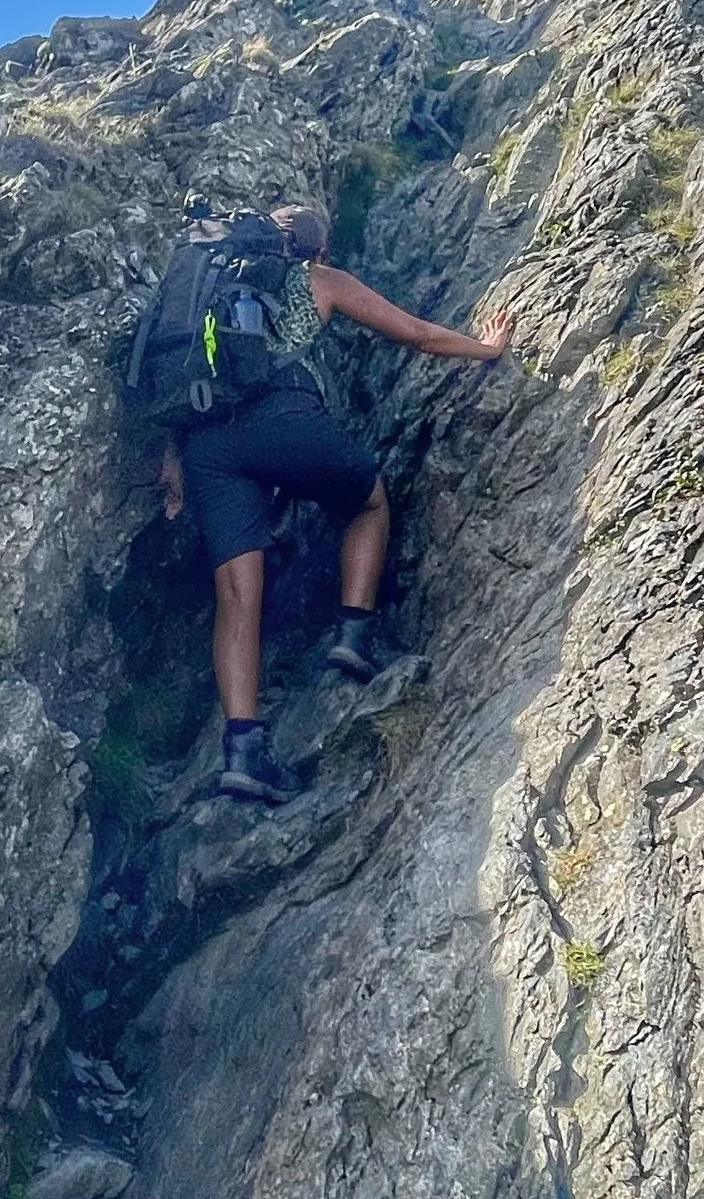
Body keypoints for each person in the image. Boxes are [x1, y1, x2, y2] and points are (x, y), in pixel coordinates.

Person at [156, 203, 512, 803]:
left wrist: (172, 461)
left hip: (205, 445)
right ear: (318, 251)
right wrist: (487, 347)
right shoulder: (320, 280)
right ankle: (352, 636)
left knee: (237, 593)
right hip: (284, 418)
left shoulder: (213, 282)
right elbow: (415, 333)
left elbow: (184, 369)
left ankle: (243, 751)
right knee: (367, 505)